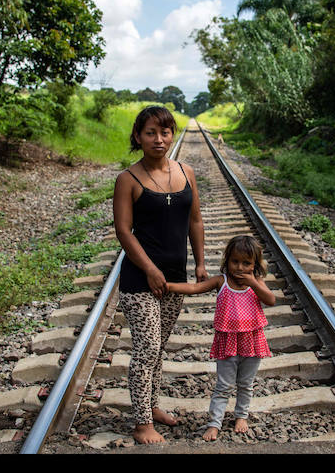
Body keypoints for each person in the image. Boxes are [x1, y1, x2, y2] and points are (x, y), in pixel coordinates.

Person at [112, 106, 208, 445]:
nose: (159, 139)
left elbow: (194, 220)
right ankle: (141, 425)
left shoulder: (186, 171)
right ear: (138, 137)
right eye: (151, 132)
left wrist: (199, 262)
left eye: (165, 132)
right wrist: (150, 269)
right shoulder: (128, 179)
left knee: (159, 347)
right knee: (147, 348)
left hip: (175, 277)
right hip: (141, 279)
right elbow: (124, 231)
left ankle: (151, 406)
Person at [165, 235, 276, 441]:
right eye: (235, 261)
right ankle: (214, 423)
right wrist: (169, 286)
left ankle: (241, 415)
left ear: (255, 265)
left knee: (245, 383)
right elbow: (195, 288)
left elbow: (270, 300)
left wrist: (253, 282)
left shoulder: (256, 283)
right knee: (223, 386)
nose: (240, 268)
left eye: (246, 263)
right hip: (227, 342)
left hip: (251, 341)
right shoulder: (221, 281)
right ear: (227, 261)